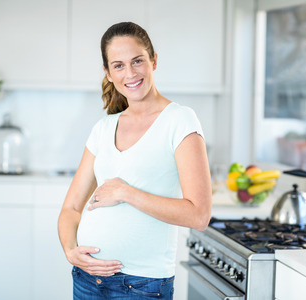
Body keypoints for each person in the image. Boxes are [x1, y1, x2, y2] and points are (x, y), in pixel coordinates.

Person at [58, 21, 212, 300]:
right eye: (118, 65)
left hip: (142, 285)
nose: (130, 73)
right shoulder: (103, 128)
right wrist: (70, 251)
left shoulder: (179, 120)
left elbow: (198, 215)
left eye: (137, 61)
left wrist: (126, 192)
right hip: (86, 279)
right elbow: (70, 208)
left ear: (154, 60)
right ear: (107, 73)